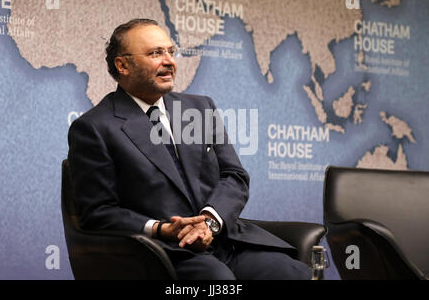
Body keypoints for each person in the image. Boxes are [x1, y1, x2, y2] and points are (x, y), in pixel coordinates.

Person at [67, 18, 311, 280]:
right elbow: (98, 212)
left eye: (170, 51)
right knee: (218, 283)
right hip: (164, 254)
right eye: (155, 53)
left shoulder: (198, 108)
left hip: (223, 240)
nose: (169, 61)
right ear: (122, 64)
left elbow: (234, 175)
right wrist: (161, 229)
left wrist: (209, 222)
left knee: (292, 273)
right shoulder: (94, 128)